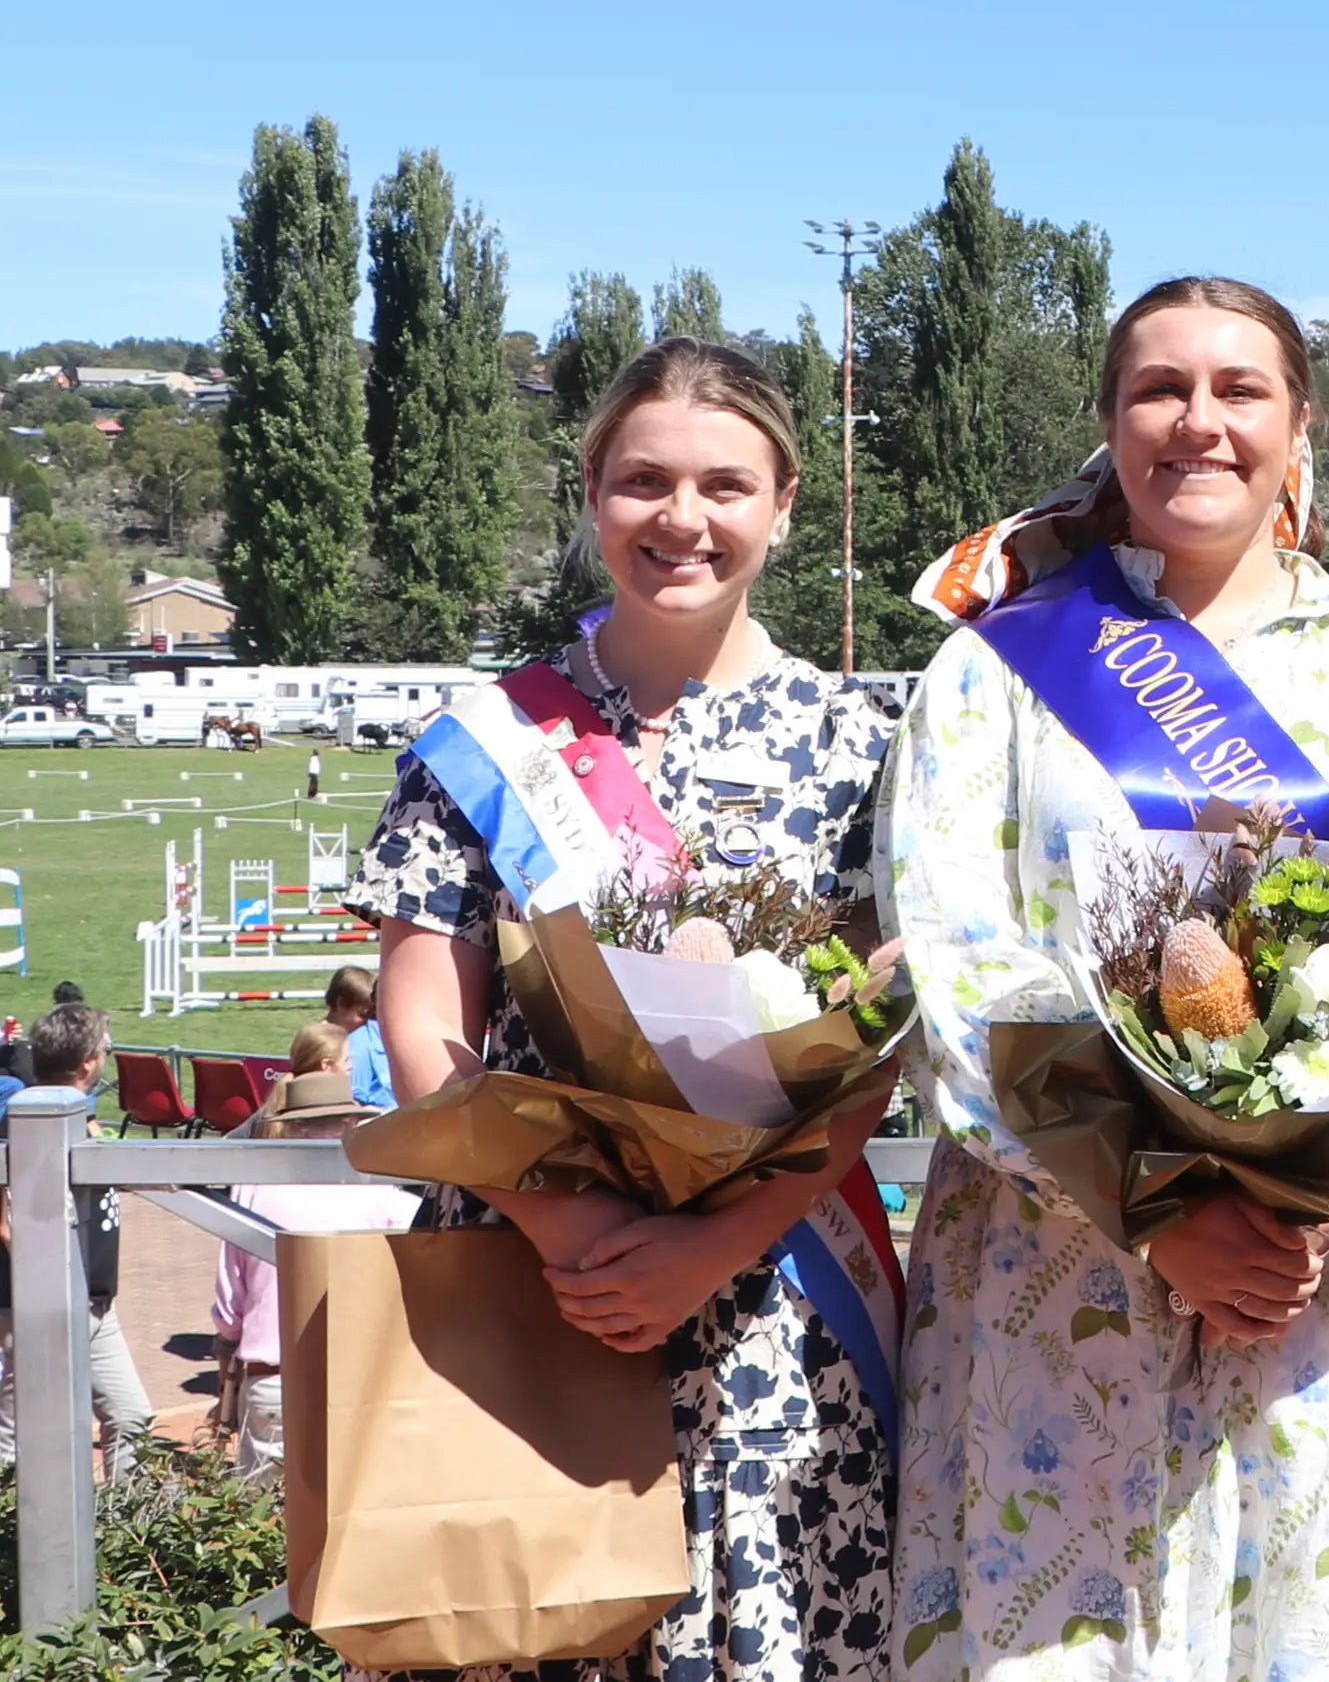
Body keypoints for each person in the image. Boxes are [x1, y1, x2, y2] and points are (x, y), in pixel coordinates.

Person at [880, 275, 1329, 1682]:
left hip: (1324, 1287)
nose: (1199, 422)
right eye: (1160, 391)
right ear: (1112, 426)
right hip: (1055, 1282)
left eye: (1241, 391)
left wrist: (1311, 1201)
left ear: (1302, 427)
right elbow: (958, 957)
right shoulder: (995, 675)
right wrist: (1155, 1208)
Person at [356, 338, 900, 1682]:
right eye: (643, 480)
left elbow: (877, 1052)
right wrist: (566, 1220)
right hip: (526, 1281)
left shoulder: (862, 749)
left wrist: (715, 1242)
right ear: (592, 492)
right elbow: (424, 1021)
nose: (683, 518)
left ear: (783, 506)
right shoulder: (480, 740)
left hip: (778, 1295)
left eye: (726, 484)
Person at [204, 1067, 418, 1474]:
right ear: (350, 1121)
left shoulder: (251, 1188)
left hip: (272, 1380)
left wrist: (228, 1349)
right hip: (355, 1380)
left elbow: (230, 1299)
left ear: (293, 1125)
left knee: (258, 1521)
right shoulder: (379, 1191)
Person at [0, 1003, 158, 1475]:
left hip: (94, 1301)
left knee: (131, 1418)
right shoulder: (26, 1122)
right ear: (88, 1061)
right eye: (106, 1048)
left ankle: (126, 1537)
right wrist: (38, 1266)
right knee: (17, 1435)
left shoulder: (79, 1119)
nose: (107, 1056)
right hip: (39, 1304)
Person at [322, 963, 391, 1109]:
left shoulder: (360, 1036)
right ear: (341, 1004)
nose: (368, 1022)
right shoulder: (321, 1039)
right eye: (363, 1015)